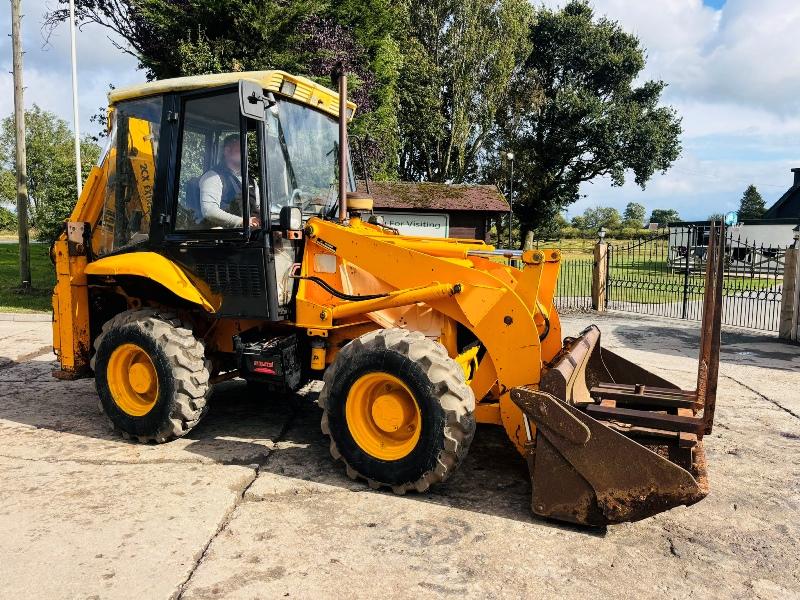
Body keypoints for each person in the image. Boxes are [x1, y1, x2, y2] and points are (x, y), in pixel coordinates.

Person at [198, 134, 260, 228]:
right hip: (224, 237)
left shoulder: (251, 180)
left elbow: (258, 207)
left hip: (252, 236)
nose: (245, 153)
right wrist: (241, 222)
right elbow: (209, 211)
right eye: (240, 149)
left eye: (245, 149)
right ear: (227, 151)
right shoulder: (212, 177)